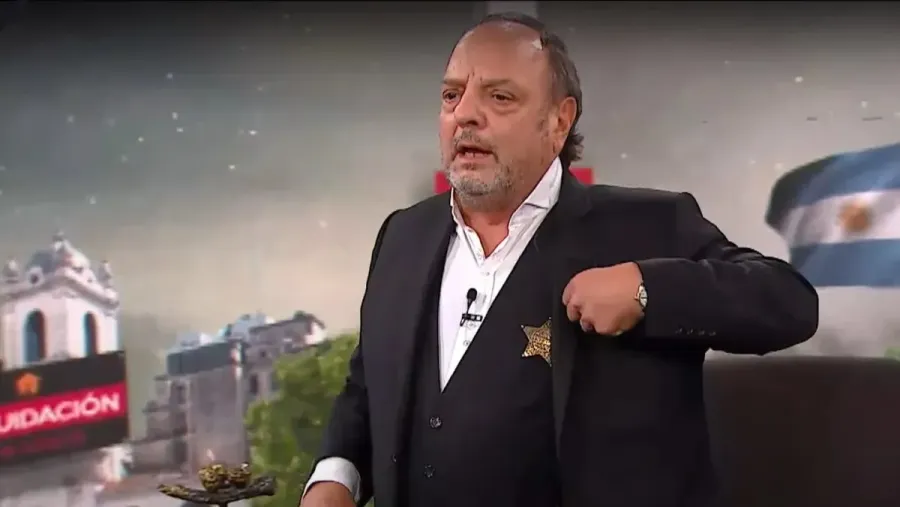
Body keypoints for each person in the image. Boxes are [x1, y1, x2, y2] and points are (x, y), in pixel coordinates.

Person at [300, 12, 819, 507]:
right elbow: (367, 388)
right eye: (451, 95)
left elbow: (789, 302)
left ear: (558, 121)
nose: (465, 114)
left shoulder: (648, 225)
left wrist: (648, 290)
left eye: (499, 97)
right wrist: (335, 477)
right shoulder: (403, 235)